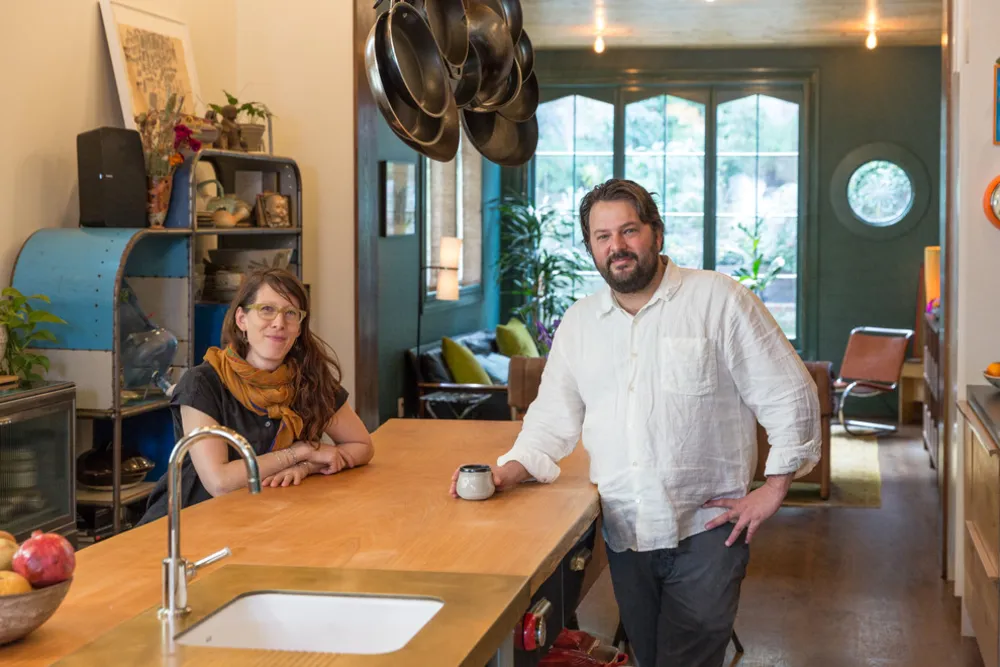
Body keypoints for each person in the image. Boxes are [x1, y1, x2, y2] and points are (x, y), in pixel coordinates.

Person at [449, 179, 820, 667]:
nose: (617, 247)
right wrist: (506, 473)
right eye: (602, 237)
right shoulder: (581, 323)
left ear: (657, 233)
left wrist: (774, 488)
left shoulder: (719, 300)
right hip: (626, 531)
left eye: (628, 231)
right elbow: (552, 417)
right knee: (648, 655)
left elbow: (788, 390)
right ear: (591, 249)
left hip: (708, 527)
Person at [139, 268, 373, 525]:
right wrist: (299, 453)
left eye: (290, 313)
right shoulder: (202, 383)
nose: (279, 323)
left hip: (267, 520)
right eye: (267, 309)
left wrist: (306, 467)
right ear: (242, 319)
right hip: (191, 523)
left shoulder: (310, 380)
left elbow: (362, 446)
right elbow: (219, 482)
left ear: (299, 327)